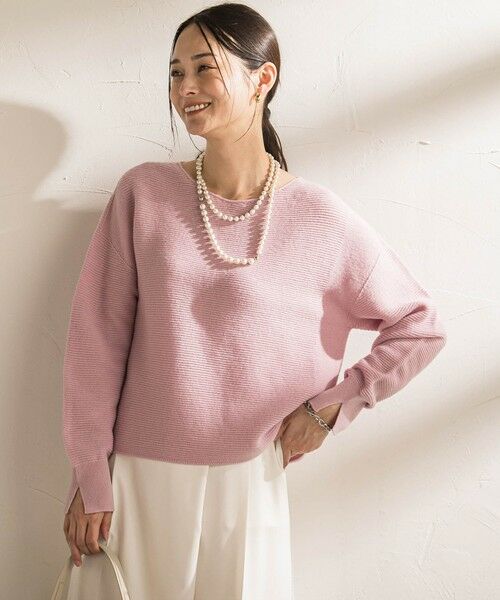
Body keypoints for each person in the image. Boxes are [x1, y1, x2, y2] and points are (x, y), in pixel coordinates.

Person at [61, 3, 447, 599]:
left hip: (249, 480)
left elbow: (420, 325)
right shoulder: (144, 193)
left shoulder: (319, 216)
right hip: (138, 476)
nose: (184, 88)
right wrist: (90, 473)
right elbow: (97, 337)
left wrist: (330, 408)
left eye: (203, 68)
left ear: (262, 79)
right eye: (175, 72)